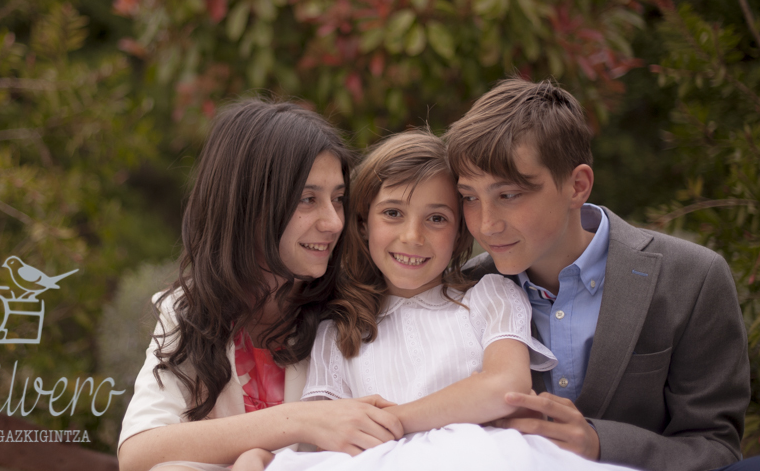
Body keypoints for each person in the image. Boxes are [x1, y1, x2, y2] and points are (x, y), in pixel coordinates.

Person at [255, 130, 635, 471]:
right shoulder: (340, 329)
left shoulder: (489, 297)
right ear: (362, 223)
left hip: (477, 457)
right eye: (392, 213)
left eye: (436, 219)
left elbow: (505, 385)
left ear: (458, 234)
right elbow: (317, 430)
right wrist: (262, 456)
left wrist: (398, 420)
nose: (412, 236)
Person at [444, 78, 751, 471]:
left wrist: (601, 444)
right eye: (470, 197)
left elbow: (716, 448)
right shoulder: (462, 290)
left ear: (577, 186)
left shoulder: (693, 278)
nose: (486, 225)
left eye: (508, 195)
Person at [117, 98, 404, 471]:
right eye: (307, 199)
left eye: (337, 199)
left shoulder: (359, 306)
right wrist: (298, 421)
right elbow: (139, 451)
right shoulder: (190, 311)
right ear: (248, 204)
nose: (333, 221)